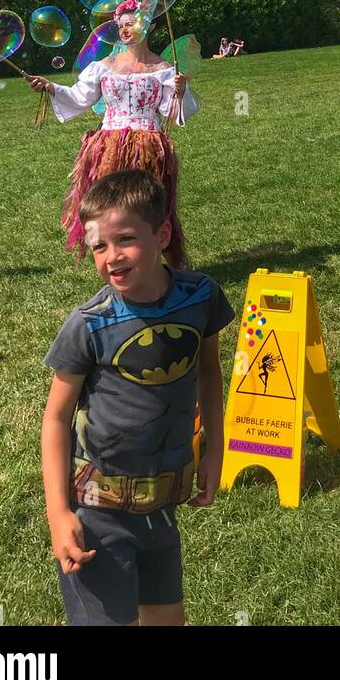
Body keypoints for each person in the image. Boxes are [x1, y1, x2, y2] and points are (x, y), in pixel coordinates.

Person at [42, 169, 233, 627]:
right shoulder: (89, 323)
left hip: (161, 508)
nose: (112, 257)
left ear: (162, 233)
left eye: (125, 239)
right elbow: (55, 418)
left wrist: (214, 449)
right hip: (97, 511)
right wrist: (58, 512)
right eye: (98, 247)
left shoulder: (200, 297)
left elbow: (208, 370)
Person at [26, 0, 198, 268]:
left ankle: (147, 260)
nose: (124, 30)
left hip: (149, 147)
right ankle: (116, 261)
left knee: (144, 208)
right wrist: (51, 87)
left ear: (149, 27)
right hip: (109, 147)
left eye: (131, 24)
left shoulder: (163, 70)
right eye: (121, 26)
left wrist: (180, 90)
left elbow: (171, 112)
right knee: (111, 206)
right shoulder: (104, 66)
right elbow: (80, 98)